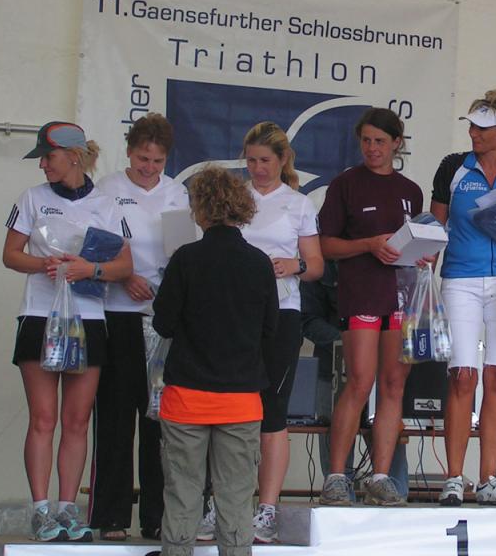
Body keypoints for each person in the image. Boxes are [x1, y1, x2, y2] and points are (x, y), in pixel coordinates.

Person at [2, 122, 132, 541]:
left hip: (88, 318)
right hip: (40, 314)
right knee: (44, 417)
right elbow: (11, 254)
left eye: (49, 157)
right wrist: (45, 264)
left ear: (74, 156)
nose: (43, 165)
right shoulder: (32, 198)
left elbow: (124, 266)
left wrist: (89, 269)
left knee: (77, 420)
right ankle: (41, 508)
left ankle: (67, 508)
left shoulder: (106, 203)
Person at [153, 166, 278, 556]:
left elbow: (162, 323)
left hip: (186, 398)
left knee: (182, 494)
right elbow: (270, 329)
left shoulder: (185, 259)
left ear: (199, 209)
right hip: (241, 400)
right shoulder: (259, 262)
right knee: (237, 498)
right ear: (241, 206)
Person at [430, 88, 496, 506]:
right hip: (460, 278)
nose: (474, 133)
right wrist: (421, 256)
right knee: (463, 375)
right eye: (472, 126)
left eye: (483, 128)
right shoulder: (453, 167)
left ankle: (489, 478)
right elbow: (435, 224)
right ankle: (454, 477)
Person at [317, 107, 424, 507]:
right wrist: (368, 245)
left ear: (397, 143)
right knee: (360, 381)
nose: (373, 148)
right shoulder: (345, 184)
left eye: (380, 141)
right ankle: (336, 477)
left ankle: (380, 476)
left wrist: (424, 252)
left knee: (394, 385)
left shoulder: (411, 190)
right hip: (361, 293)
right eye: (366, 141)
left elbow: (416, 241)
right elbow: (326, 246)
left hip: (401, 296)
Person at [89, 113, 189, 541]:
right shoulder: (107, 189)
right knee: (114, 415)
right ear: (129, 152)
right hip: (116, 311)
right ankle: (111, 516)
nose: (149, 168)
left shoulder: (177, 193)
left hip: (160, 319)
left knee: (158, 418)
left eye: (157, 161)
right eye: (142, 159)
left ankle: (155, 516)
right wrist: (124, 277)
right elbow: (94, 249)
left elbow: (183, 254)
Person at [234, 121, 323, 542]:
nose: (258, 168)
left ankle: (266, 509)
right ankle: (227, 502)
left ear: (283, 159)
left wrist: (295, 265)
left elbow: (316, 265)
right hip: (235, 313)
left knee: (272, 407)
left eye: (265, 161)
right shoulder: (235, 197)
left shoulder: (298, 204)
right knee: (231, 407)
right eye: (251, 161)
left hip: (282, 311)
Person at [300, 260, 410, 501]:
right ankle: (337, 487)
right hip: (332, 368)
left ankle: (388, 487)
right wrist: (352, 343)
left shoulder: (397, 264)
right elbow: (306, 318)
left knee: (393, 455)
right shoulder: (326, 259)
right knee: (335, 441)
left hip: (385, 369)